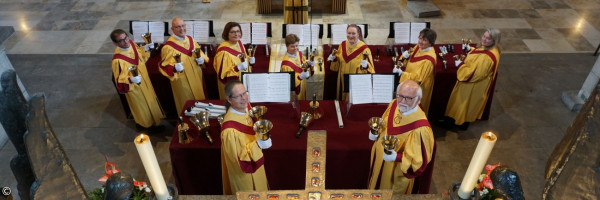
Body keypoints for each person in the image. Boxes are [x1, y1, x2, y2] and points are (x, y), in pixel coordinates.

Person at [367, 80, 435, 194]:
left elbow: (418, 162)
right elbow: (384, 122)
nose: (403, 101)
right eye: (401, 96)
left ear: (418, 100)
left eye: (409, 98)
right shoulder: (394, 103)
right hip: (379, 159)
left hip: (394, 171)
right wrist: (376, 132)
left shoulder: (421, 129)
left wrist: (396, 157)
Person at [444, 28, 501, 129]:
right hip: (478, 84)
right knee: (466, 105)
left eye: (488, 38)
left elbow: (474, 75)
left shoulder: (486, 58)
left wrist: (461, 65)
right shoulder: (494, 49)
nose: (484, 39)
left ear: (494, 41)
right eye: (484, 36)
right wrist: (472, 50)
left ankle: (457, 124)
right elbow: (481, 54)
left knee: (463, 104)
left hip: (472, 85)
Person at [220, 80, 271, 194]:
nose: (244, 98)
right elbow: (237, 160)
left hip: (256, 161)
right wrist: (258, 144)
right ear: (229, 99)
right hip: (245, 176)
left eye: (245, 93)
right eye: (238, 96)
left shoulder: (246, 106)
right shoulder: (229, 131)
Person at [110, 29, 165, 130]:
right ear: (115, 43)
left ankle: (153, 121)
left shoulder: (131, 43)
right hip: (134, 89)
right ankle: (146, 126)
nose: (125, 42)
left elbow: (141, 56)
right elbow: (119, 82)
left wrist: (146, 48)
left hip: (145, 81)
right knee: (142, 108)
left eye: (126, 37)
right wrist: (130, 79)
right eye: (121, 40)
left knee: (150, 102)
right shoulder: (117, 60)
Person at [159, 17, 209, 112]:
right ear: (172, 29)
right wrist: (174, 68)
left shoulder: (190, 39)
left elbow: (200, 53)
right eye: (177, 27)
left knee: (200, 101)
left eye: (183, 26)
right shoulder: (168, 47)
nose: (181, 29)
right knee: (188, 104)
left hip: (197, 76)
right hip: (183, 81)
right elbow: (164, 66)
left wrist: (201, 60)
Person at [394, 28, 437, 115]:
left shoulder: (428, 60)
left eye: (424, 40)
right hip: (409, 81)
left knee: (413, 110)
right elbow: (411, 60)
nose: (420, 41)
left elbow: (419, 79)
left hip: (418, 88)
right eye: (420, 38)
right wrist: (405, 57)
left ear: (431, 43)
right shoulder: (418, 47)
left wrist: (402, 74)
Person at [328, 24, 375, 100]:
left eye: (353, 33)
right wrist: (332, 59)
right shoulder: (342, 45)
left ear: (358, 34)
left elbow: (371, 70)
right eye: (349, 33)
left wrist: (366, 66)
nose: (350, 36)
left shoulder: (364, 49)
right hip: (342, 80)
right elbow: (336, 66)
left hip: (356, 82)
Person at [214, 22, 255, 99]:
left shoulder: (239, 43)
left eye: (238, 31)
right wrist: (237, 68)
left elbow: (244, 62)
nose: (236, 34)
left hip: (243, 81)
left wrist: (250, 61)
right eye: (233, 32)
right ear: (227, 34)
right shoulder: (223, 52)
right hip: (232, 88)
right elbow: (222, 76)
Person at [280, 34, 315, 100]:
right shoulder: (286, 65)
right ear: (287, 46)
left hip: (302, 85)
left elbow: (303, 65)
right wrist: (300, 76)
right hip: (294, 92)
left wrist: (309, 64)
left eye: (297, 45)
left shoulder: (299, 53)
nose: (295, 48)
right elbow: (289, 82)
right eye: (292, 46)